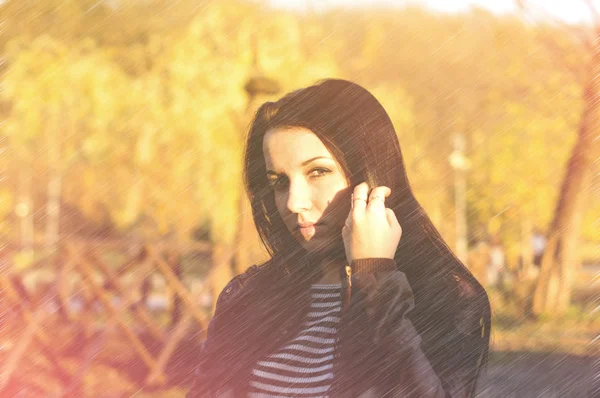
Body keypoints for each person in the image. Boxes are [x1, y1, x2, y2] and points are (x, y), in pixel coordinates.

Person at [187, 79, 491, 397]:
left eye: (317, 172)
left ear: (369, 174)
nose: (293, 202)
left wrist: (375, 277)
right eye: (279, 181)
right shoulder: (248, 296)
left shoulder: (443, 299)